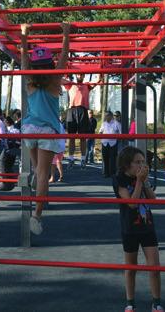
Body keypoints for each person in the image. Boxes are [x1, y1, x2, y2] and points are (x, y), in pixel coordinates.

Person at [20, 21, 70, 235]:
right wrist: (66, 34)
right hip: (48, 130)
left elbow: (23, 58)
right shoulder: (54, 81)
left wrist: (24, 34)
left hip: (29, 128)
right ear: (50, 65)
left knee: (37, 170)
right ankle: (36, 215)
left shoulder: (29, 80)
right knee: (43, 174)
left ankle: (34, 178)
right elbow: (64, 57)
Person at [113, 146, 164, 312]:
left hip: (147, 226)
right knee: (131, 268)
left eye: (143, 162)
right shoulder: (119, 179)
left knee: (155, 267)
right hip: (130, 229)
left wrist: (145, 181)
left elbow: (153, 199)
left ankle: (156, 302)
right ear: (127, 164)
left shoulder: (143, 178)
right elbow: (132, 203)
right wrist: (139, 181)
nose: (142, 165)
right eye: (137, 162)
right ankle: (130, 302)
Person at [65, 74, 99, 169]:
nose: (80, 76)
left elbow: (98, 80)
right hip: (72, 110)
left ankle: (83, 159)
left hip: (83, 110)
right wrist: (66, 72)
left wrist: (100, 73)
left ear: (84, 76)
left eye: (82, 74)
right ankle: (71, 159)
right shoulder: (71, 84)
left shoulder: (87, 85)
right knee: (71, 137)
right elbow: (60, 80)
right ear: (76, 75)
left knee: (82, 137)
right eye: (78, 74)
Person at [99, 110, 121, 177]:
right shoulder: (104, 123)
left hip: (113, 143)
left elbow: (121, 132)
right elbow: (100, 131)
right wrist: (100, 134)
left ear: (111, 116)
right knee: (105, 158)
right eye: (105, 115)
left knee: (112, 159)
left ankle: (112, 173)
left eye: (107, 115)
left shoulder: (116, 123)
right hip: (105, 143)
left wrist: (117, 137)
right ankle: (106, 173)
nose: (106, 117)